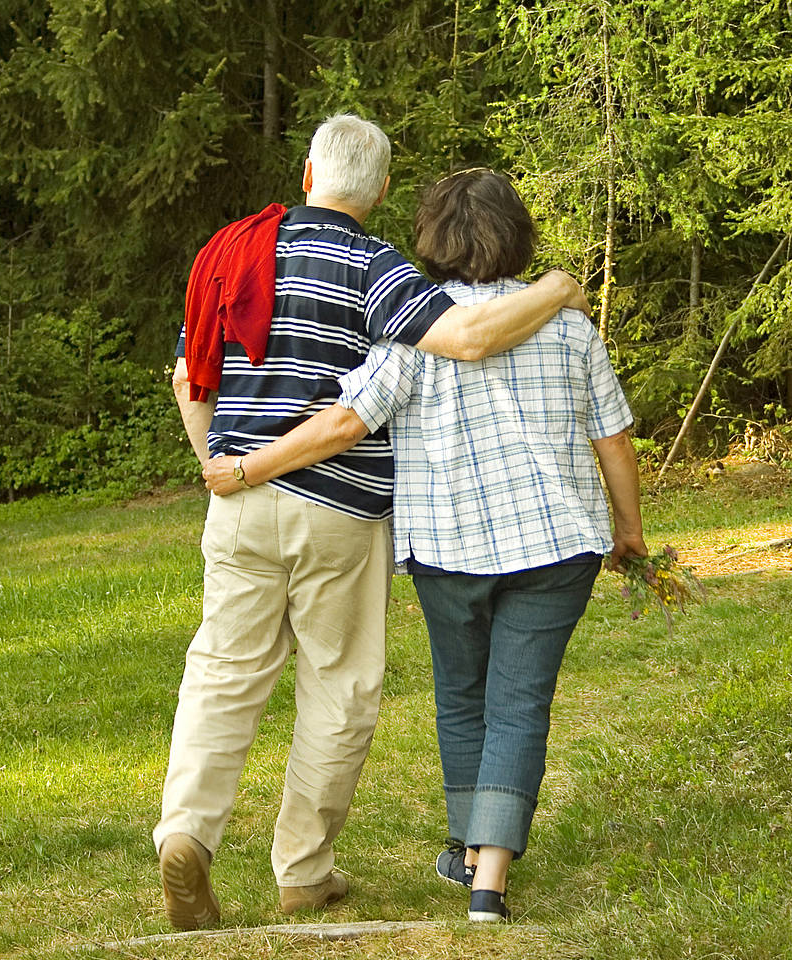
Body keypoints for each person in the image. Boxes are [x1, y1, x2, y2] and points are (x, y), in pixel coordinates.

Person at [158, 118, 587, 932]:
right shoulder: (373, 263)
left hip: (239, 504)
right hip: (340, 509)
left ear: (309, 170)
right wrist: (557, 290)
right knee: (339, 685)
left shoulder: (228, 253)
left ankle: (186, 833)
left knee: (221, 673)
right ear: (383, 189)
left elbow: (191, 374)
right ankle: (303, 871)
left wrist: (223, 466)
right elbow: (464, 337)